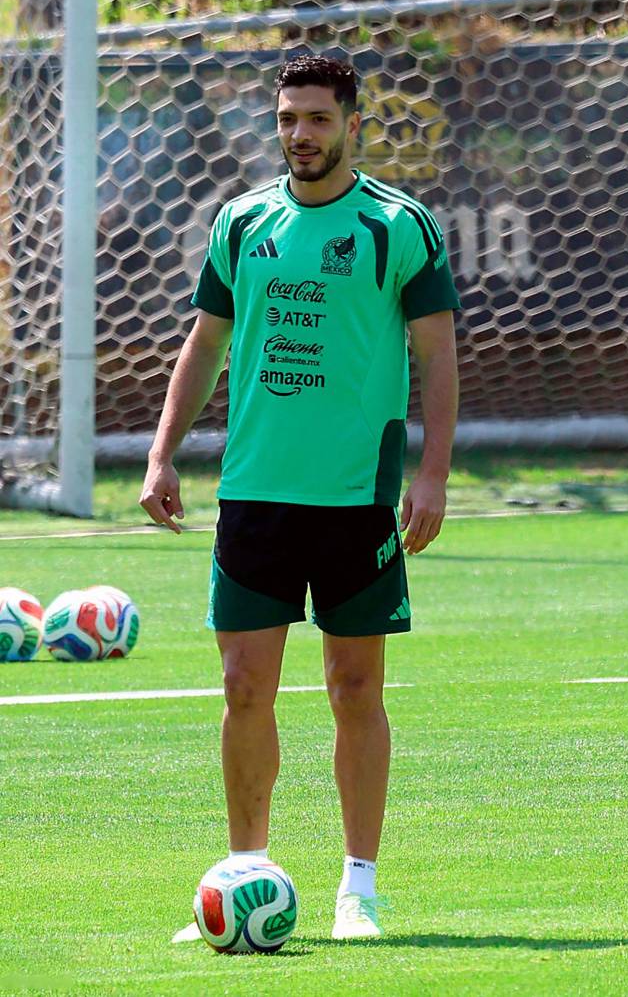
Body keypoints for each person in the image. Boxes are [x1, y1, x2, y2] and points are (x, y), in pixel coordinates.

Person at [139, 54, 460, 941]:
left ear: (352, 124)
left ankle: (358, 887)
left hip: (357, 499)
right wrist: (164, 455)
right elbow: (204, 345)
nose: (300, 134)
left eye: (317, 118)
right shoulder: (243, 222)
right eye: (287, 118)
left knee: (354, 687)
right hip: (254, 495)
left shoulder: (401, 226)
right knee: (245, 687)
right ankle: (247, 872)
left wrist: (431, 474)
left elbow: (437, 357)